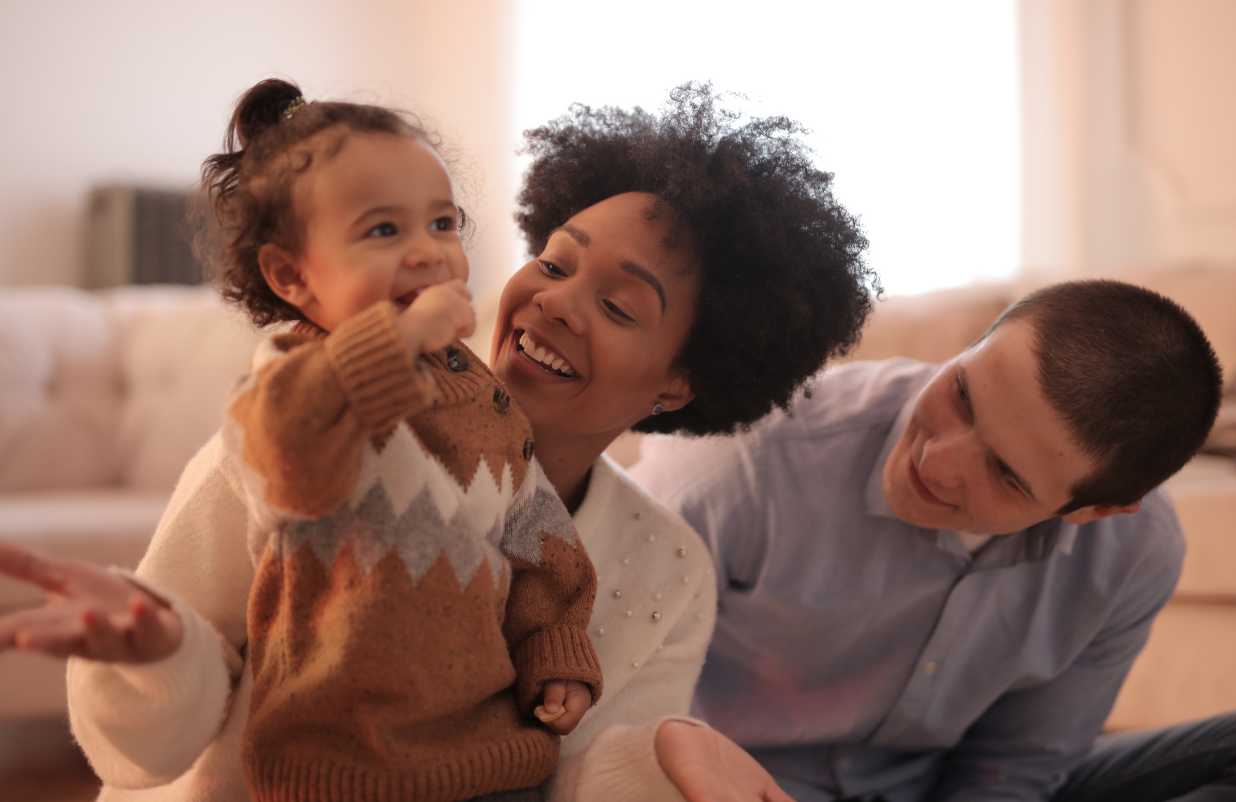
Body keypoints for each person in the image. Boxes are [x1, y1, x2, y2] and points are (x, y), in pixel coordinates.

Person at [0, 83, 876, 802]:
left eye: (617, 307)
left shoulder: (668, 571)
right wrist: (158, 656)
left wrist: (673, 759)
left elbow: (576, 778)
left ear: (680, 380)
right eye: (557, 261)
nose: (557, 303)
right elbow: (140, 759)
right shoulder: (304, 432)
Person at [632, 279, 1236, 801]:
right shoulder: (746, 459)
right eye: (962, 394)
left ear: (1093, 510)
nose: (937, 461)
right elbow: (595, 704)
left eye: (1006, 474)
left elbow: (1017, 768)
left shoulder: (1134, 555)